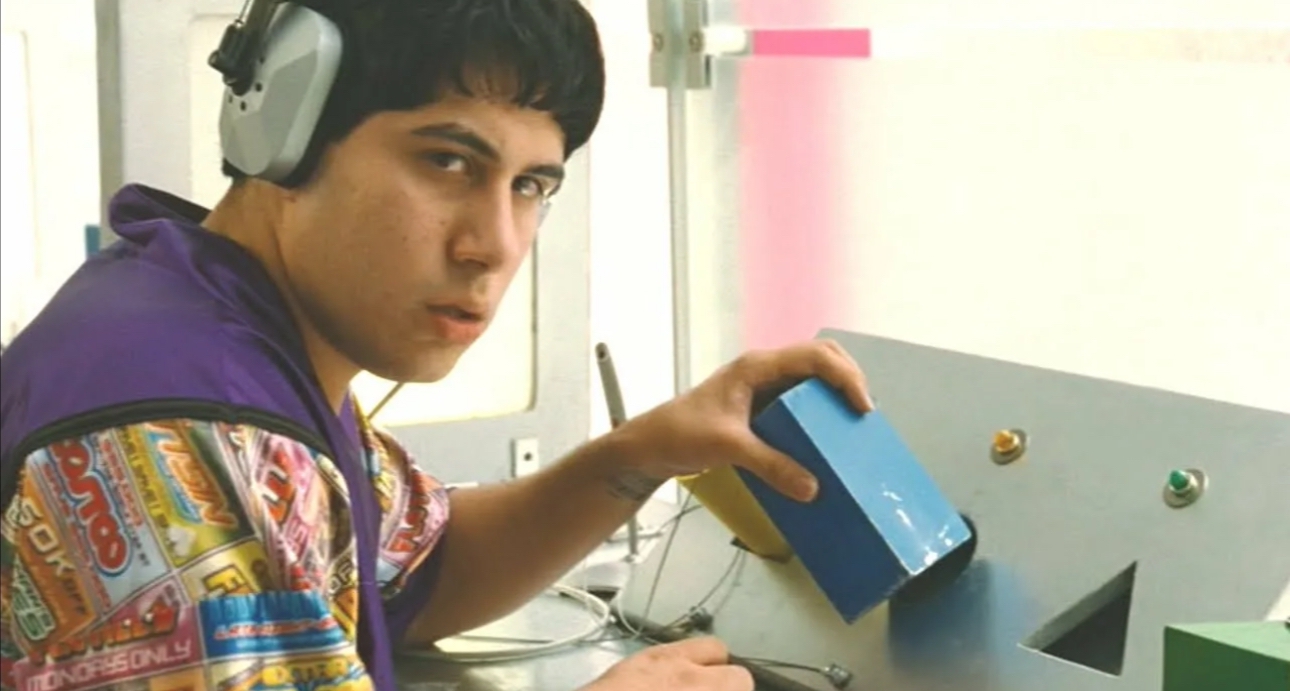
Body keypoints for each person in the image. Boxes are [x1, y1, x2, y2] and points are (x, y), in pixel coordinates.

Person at [0, 1, 873, 690]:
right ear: (282, 136)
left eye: (530, 185)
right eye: (448, 162)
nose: (493, 244)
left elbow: (421, 567)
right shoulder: (191, 424)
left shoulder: (220, 321)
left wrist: (642, 452)